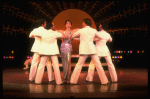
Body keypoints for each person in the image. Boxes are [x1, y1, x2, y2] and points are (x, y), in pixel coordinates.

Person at [69, 18, 109, 85]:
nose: (82, 24)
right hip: (92, 49)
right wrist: (95, 38)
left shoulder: (81, 30)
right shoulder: (93, 30)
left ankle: (73, 81)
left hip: (84, 50)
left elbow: (72, 36)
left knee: (78, 65)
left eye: (82, 22)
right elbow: (101, 37)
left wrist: (78, 36)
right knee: (98, 65)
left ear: (85, 23)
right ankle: (104, 81)